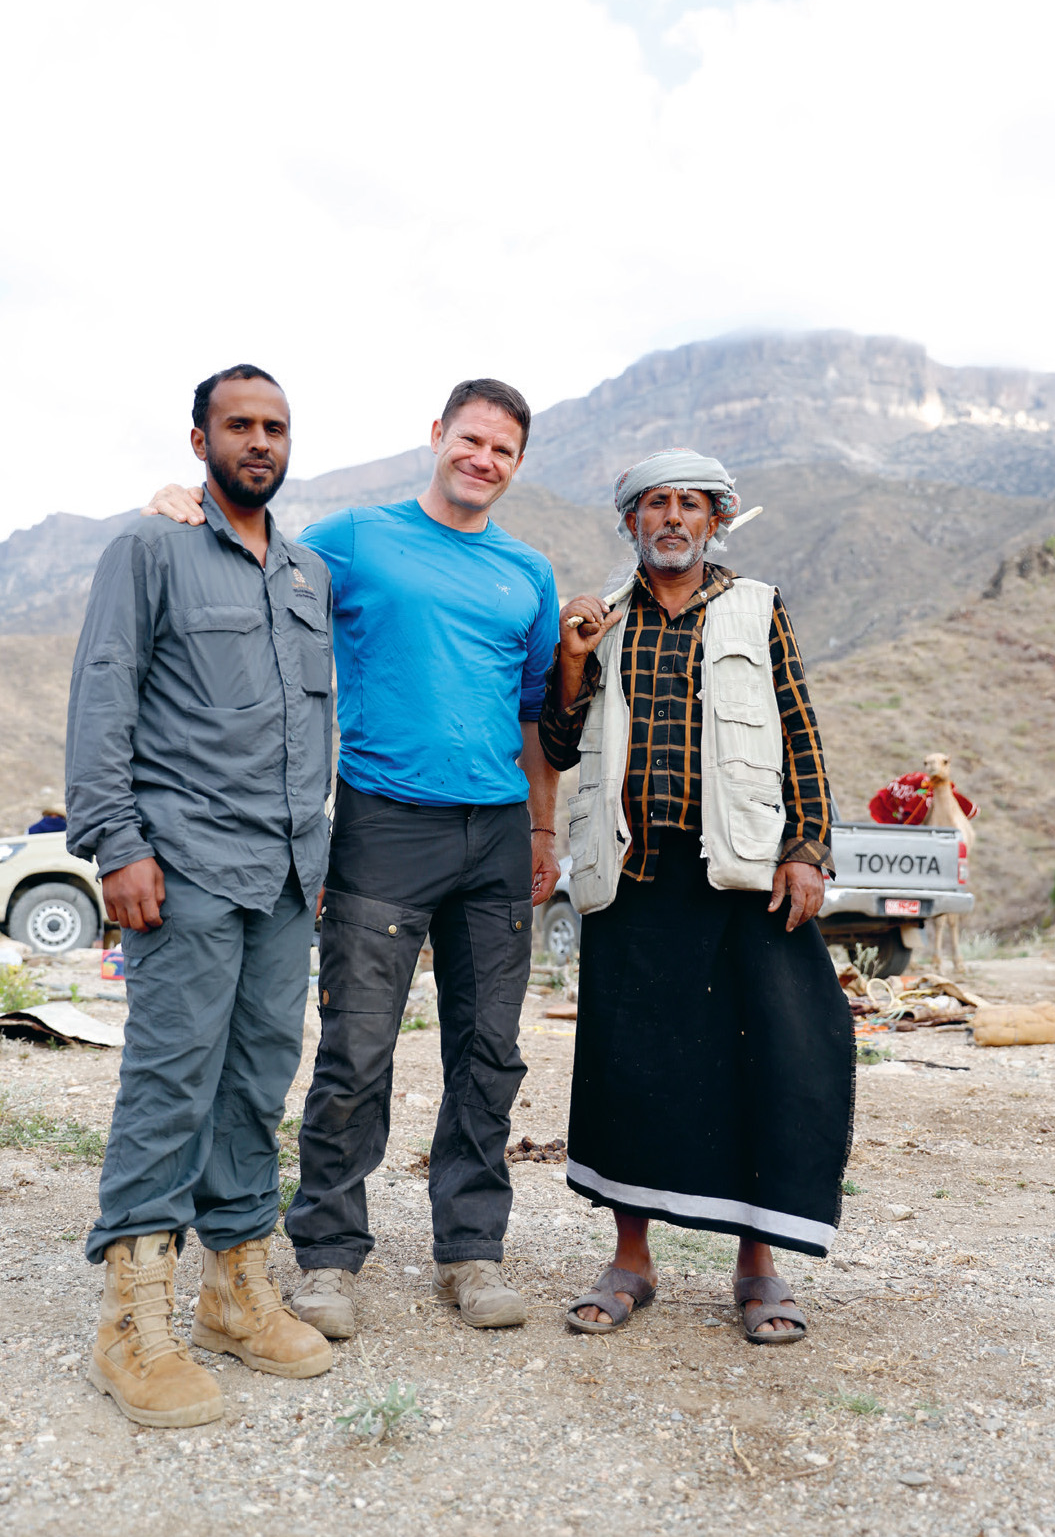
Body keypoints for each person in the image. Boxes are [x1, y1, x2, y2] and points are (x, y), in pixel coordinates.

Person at [143, 378, 562, 1338]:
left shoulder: (526, 573)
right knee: (357, 1049)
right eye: (470, 440)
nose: (482, 460)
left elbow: (536, 710)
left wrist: (542, 830)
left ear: (517, 463)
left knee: (488, 1052)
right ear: (437, 437)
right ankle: (329, 1256)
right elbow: (249, 558)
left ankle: (471, 1251)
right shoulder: (360, 540)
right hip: (383, 824)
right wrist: (181, 503)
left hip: (495, 831)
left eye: (502, 449)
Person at [66, 364, 335, 1428]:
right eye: (238, 425)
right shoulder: (149, 549)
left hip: (285, 875)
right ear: (198, 440)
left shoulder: (307, 572)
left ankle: (233, 1285)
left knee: (257, 1079)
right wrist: (114, 840)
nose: (258, 441)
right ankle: (129, 1320)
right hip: (181, 867)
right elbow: (103, 691)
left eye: (274, 426)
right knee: (171, 1079)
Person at [537, 448, 854, 1344]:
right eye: (654, 504)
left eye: (690, 504)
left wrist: (808, 848)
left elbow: (800, 733)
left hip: (741, 874)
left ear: (716, 521)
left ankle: (757, 1267)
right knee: (627, 1065)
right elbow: (559, 749)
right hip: (633, 878)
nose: (672, 517)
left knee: (765, 1058)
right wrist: (571, 663)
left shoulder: (757, 608)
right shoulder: (602, 620)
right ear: (629, 521)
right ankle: (630, 1259)